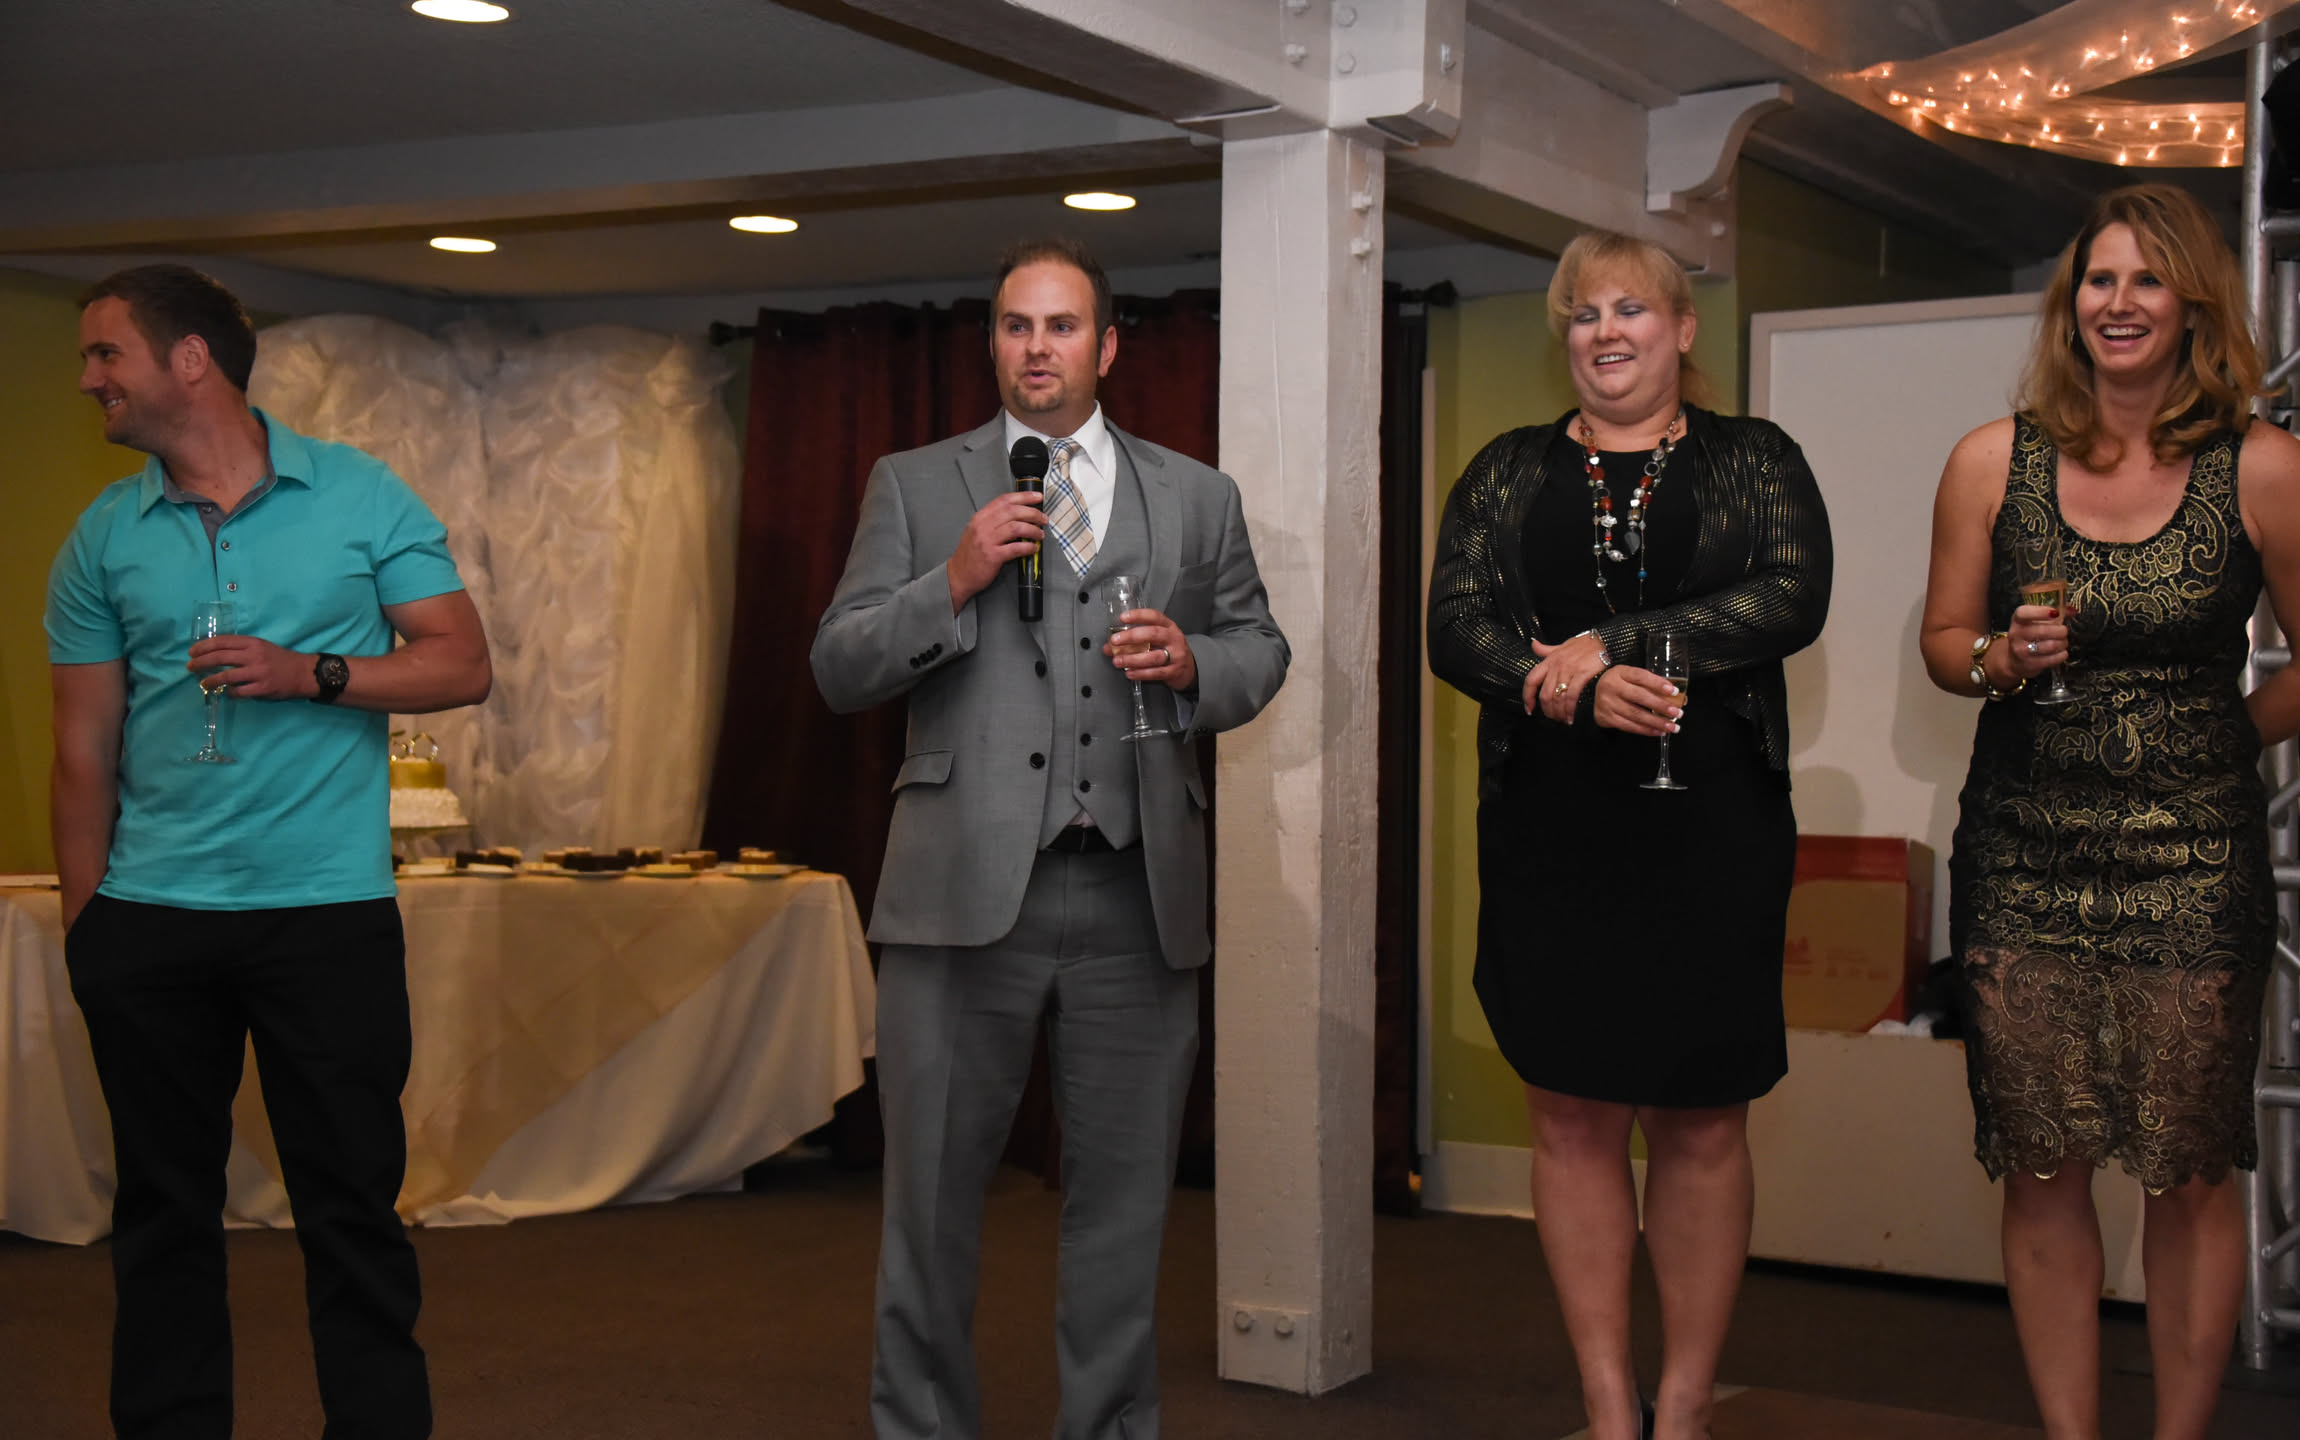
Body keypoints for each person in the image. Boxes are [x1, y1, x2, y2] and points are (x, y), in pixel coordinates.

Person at [811, 237, 1289, 1440]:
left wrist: (1192, 663)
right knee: (929, 1207)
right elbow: (839, 664)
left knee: (1124, 1212)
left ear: (1106, 346)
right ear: (991, 344)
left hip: (1135, 896)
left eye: (1062, 326)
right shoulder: (914, 484)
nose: (1037, 348)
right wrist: (951, 580)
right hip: (957, 899)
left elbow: (1258, 648)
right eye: (1016, 326)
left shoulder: (1196, 495)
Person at [47, 264, 491, 1440]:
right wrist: (92, 930)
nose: (88, 378)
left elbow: (460, 662)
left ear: (189, 359)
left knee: (351, 1212)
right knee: (161, 1218)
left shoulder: (359, 494)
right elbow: (82, 750)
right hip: (150, 922)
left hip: (326, 918)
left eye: (105, 354)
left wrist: (313, 674)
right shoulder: (104, 534)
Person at [1427, 229, 1832, 1440]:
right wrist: (1560, 687)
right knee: (1569, 1112)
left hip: (1712, 828)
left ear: (1681, 329)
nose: (1603, 332)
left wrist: (1622, 644)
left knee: (1701, 1117)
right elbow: (1455, 623)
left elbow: (1789, 592)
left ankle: (1687, 1403)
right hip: (1552, 830)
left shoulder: (1752, 457)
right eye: (1582, 313)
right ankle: (1609, 1406)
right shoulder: (1505, 470)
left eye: (1630, 309)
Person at [1921, 183, 2300, 1440]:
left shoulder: (2261, 465)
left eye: (2145, 279)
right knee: (2040, 1163)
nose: (2118, 302)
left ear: (2191, 300)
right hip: (2020, 856)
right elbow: (1941, 640)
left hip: (2195, 862)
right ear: (2068, 301)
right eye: (2097, 279)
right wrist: (1996, 659)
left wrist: (2220, 738)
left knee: (2186, 1170)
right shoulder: (1990, 460)